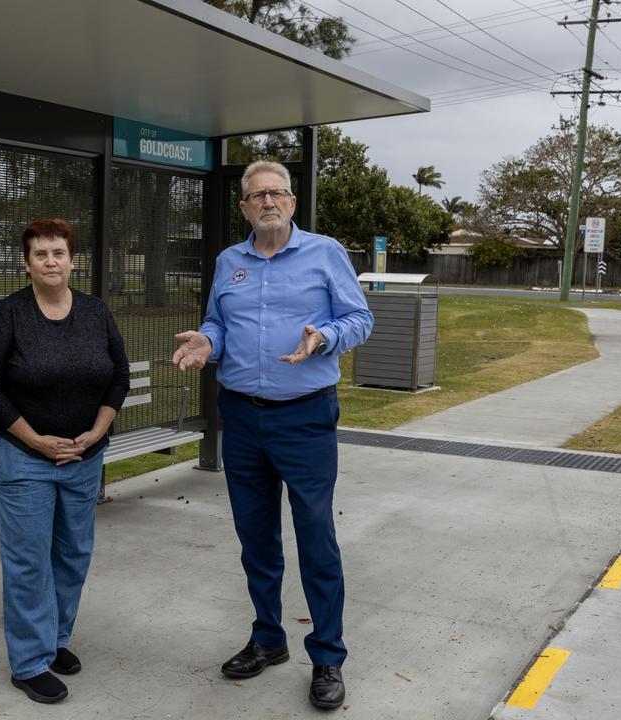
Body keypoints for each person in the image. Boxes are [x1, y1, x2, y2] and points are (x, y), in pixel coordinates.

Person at [172, 160, 372, 710]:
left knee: (315, 537)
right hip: (241, 416)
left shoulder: (324, 252)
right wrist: (208, 343)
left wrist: (324, 337)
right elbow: (217, 322)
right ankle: (268, 639)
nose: (267, 202)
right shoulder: (227, 262)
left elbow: (360, 318)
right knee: (256, 537)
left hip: (304, 417)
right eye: (256, 195)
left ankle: (327, 655)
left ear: (291, 202)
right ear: (243, 207)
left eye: (276, 193)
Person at [0, 218, 130, 704]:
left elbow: (117, 375)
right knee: (28, 561)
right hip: (24, 457)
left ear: (72, 260)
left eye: (58, 253)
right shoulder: (10, 314)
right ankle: (29, 662)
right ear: (27, 263)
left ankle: (56, 639)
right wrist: (35, 440)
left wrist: (97, 432)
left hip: (84, 457)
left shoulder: (96, 313)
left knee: (72, 553)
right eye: (40, 254)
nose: (51, 261)